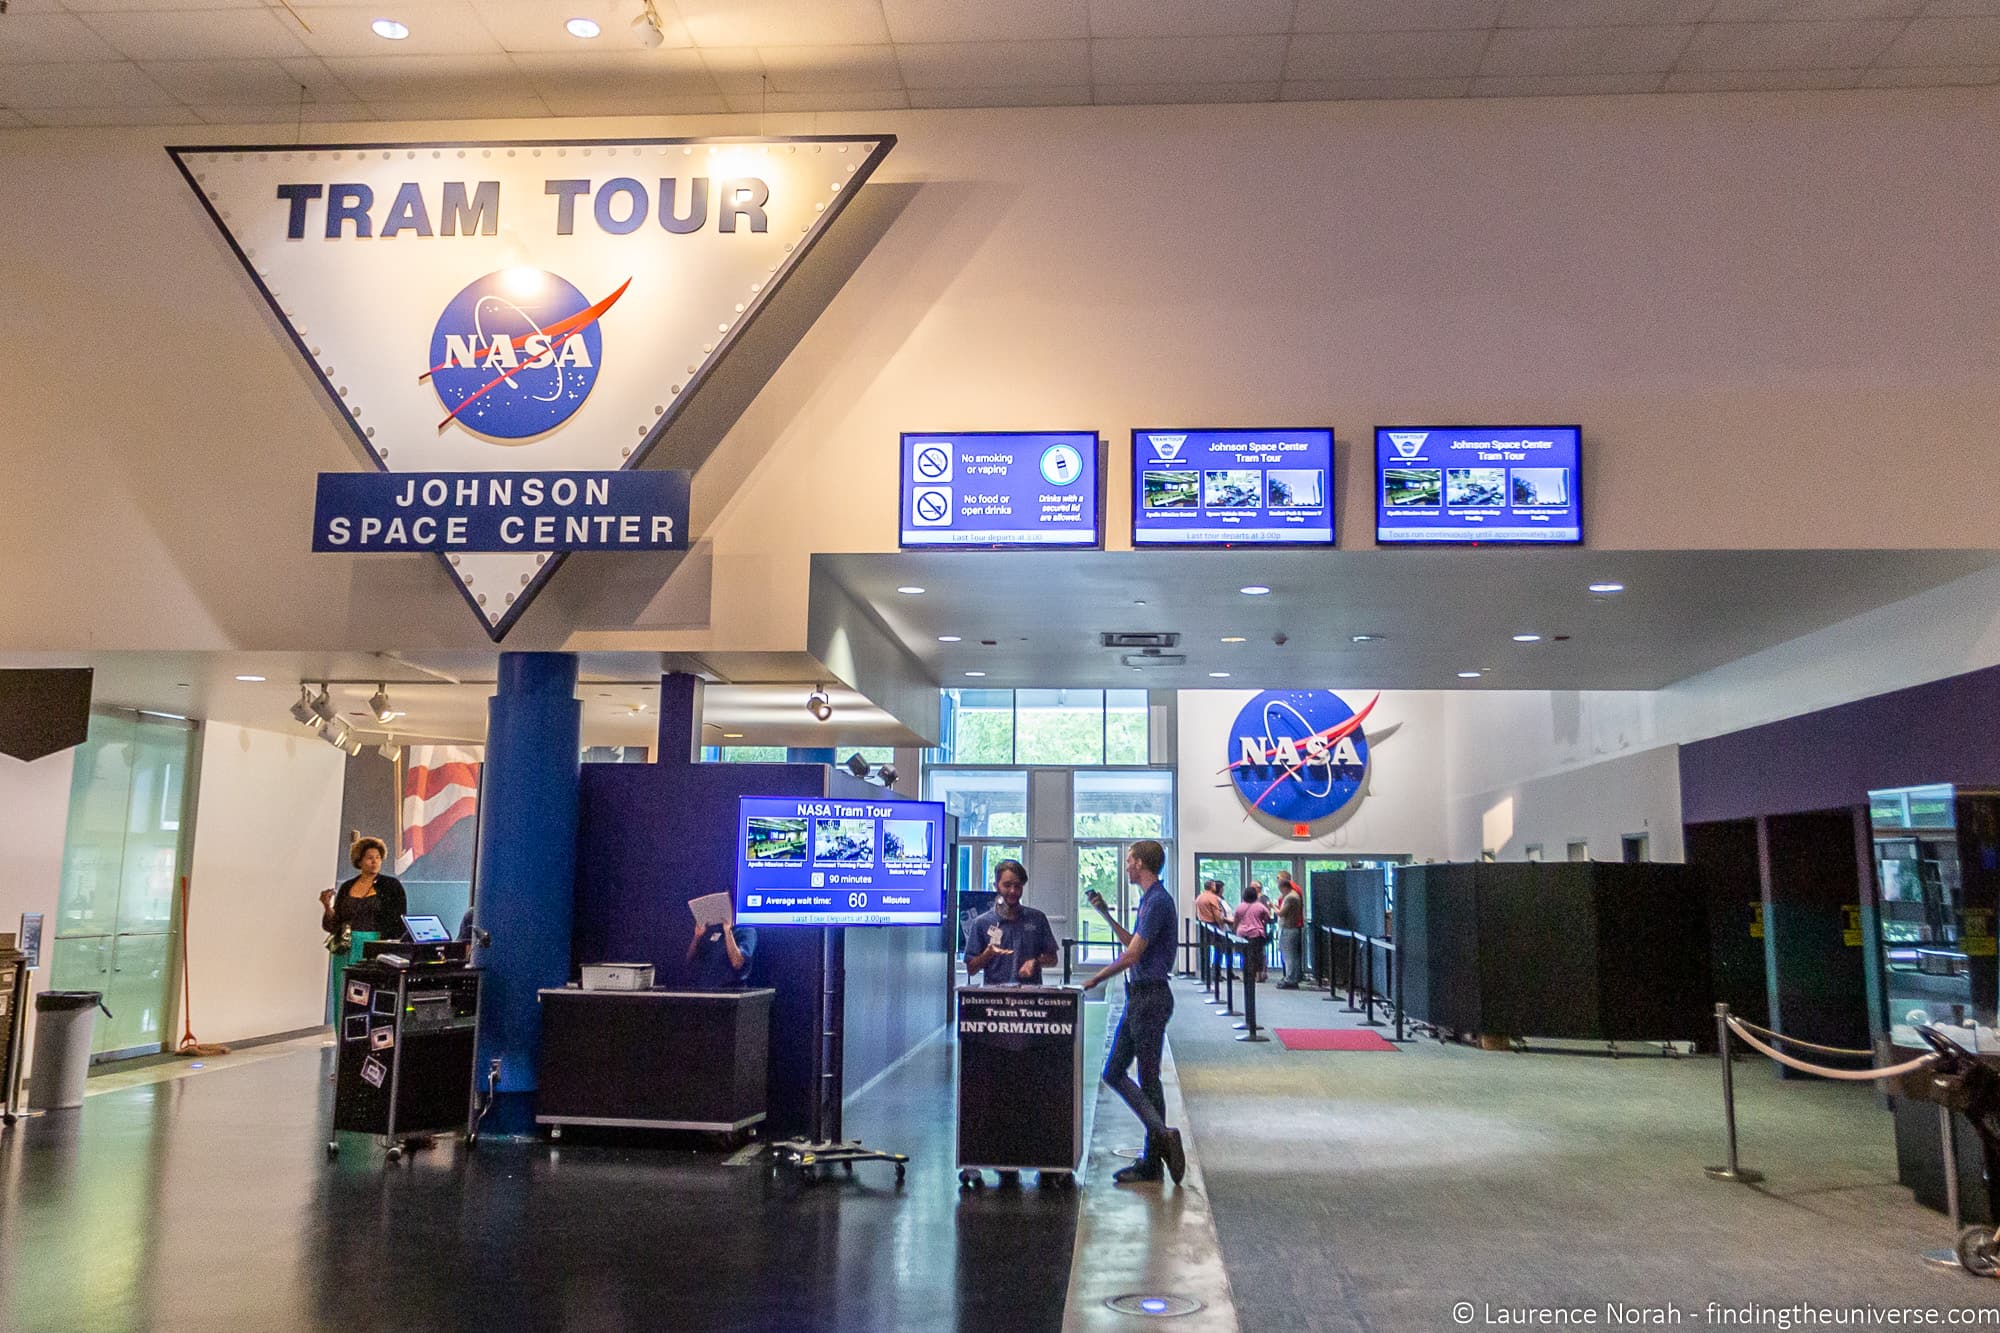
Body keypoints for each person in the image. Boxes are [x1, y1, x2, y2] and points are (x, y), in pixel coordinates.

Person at [1081, 839, 1186, 1186]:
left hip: (1149, 998)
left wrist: (1096, 978)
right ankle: (1159, 1139)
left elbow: (1131, 956)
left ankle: (1155, 1151)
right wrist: (1105, 915)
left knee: (1146, 1077)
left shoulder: (1157, 901)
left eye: (1128, 860)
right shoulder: (1151, 901)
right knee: (1116, 1072)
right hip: (1140, 997)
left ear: (1140, 863)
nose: (1126, 866)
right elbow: (1133, 944)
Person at [963, 860, 1058, 986]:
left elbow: (1053, 959)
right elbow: (971, 969)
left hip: (1030, 997)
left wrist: (1035, 962)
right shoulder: (981, 923)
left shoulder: (1037, 919)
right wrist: (988, 953)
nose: (1013, 891)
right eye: (1007, 885)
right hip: (994, 999)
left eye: (1017, 886)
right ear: (996, 886)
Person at [320, 836, 408, 944]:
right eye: (370, 858)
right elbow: (333, 926)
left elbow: (398, 923)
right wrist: (327, 906)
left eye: (378, 857)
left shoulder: (391, 885)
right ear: (359, 861)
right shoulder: (347, 886)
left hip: (376, 944)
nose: (374, 861)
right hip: (345, 944)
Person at [687, 916, 758, 989]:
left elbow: (737, 963)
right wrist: (697, 936)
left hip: (730, 991)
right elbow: (690, 959)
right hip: (705, 989)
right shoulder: (713, 929)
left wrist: (728, 932)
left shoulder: (746, 930)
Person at [1233, 883, 1272, 983]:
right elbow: (1267, 918)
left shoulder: (1240, 907)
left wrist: (1234, 931)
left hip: (1242, 934)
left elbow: (1236, 921)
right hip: (1256, 933)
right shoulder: (1260, 906)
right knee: (1257, 955)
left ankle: (1245, 975)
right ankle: (1258, 976)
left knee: (1245, 955)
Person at [1273, 871, 1306, 989]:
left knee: (1289, 956)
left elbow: (1282, 913)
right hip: (1291, 927)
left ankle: (1290, 978)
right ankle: (1293, 976)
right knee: (1292, 955)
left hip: (1289, 928)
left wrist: (1272, 906)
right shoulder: (1292, 895)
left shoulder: (1291, 896)